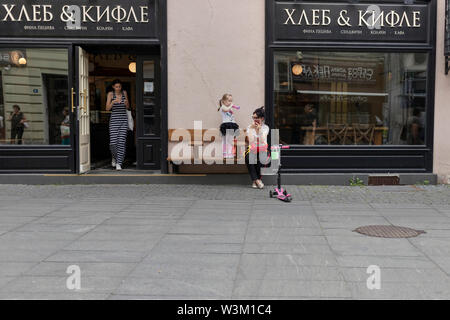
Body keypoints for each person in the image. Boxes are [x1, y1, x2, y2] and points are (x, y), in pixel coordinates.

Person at [106, 79, 130, 170]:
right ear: (113, 87)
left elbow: (128, 107)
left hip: (123, 120)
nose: (118, 88)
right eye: (116, 87)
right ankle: (114, 157)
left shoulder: (124, 93)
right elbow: (107, 108)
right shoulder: (110, 94)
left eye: (119, 86)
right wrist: (113, 102)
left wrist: (126, 103)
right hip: (114, 121)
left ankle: (119, 163)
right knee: (113, 143)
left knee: (121, 142)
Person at [246, 107, 270, 189]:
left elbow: (263, 140)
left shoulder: (265, 128)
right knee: (249, 157)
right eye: (253, 117)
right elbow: (251, 141)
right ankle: (257, 180)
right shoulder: (250, 127)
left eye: (256, 118)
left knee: (262, 158)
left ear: (262, 118)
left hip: (262, 149)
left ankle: (255, 180)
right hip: (253, 148)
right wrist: (252, 129)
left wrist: (259, 130)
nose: (254, 119)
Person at [218, 93, 240, 159]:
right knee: (225, 140)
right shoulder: (222, 107)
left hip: (231, 124)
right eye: (229, 101)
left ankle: (230, 153)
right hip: (226, 125)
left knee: (230, 140)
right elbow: (226, 110)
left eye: (231, 100)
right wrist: (231, 106)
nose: (231, 102)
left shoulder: (229, 108)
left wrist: (234, 107)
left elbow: (231, 116)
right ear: (224, 101)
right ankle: (225, 153)